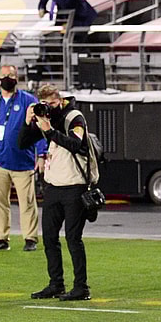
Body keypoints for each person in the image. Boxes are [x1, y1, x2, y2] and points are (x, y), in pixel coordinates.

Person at [18, 84, 98, 301]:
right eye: (45, 105)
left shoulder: (74, 116)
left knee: (73, 239)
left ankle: (81, 287)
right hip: (53, 186)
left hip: (74, 186)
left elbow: (75, 144)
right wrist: (28, 122)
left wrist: (49, 131)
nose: (49, 109)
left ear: (60, 99)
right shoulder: (46, 118)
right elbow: (22, 143)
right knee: (50, 238)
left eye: (52, 104)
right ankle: (56, 284)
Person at [0, 65, 47, 252]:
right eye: (5, 75)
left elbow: (40, 128)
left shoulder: (28, 101)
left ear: (18, 78)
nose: (8, 78)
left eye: (12, 75)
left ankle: (30, 237)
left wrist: (41, 154)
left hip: (22, 162)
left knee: (27, 202)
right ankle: (1, 238)